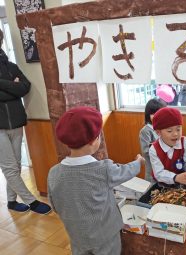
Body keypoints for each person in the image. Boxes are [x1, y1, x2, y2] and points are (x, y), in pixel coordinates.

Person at [48, 106, 144, 255]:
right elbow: (125, 171)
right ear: (94, 141)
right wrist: (138, 162)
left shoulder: (54, 173)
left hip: (77, 237)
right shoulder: (103, 169)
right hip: (105, 236)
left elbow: (55, 206)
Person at [0, 29, 51, 214]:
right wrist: (12, 87)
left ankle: (12, 201)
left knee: (15, 165)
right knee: (10, 167)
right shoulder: (11, 71)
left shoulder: (11, 66)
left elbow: (24, 87)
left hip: (16, 121)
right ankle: (31, 201)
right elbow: (17, 89)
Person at [139, 98, 166, 183]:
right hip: (152, 171)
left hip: (165, 169)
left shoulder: (165, 128)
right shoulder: (145, 131)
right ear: (148, 115)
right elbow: (146, 152)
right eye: (153, 113)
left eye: (158, 113)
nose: (156, 116)